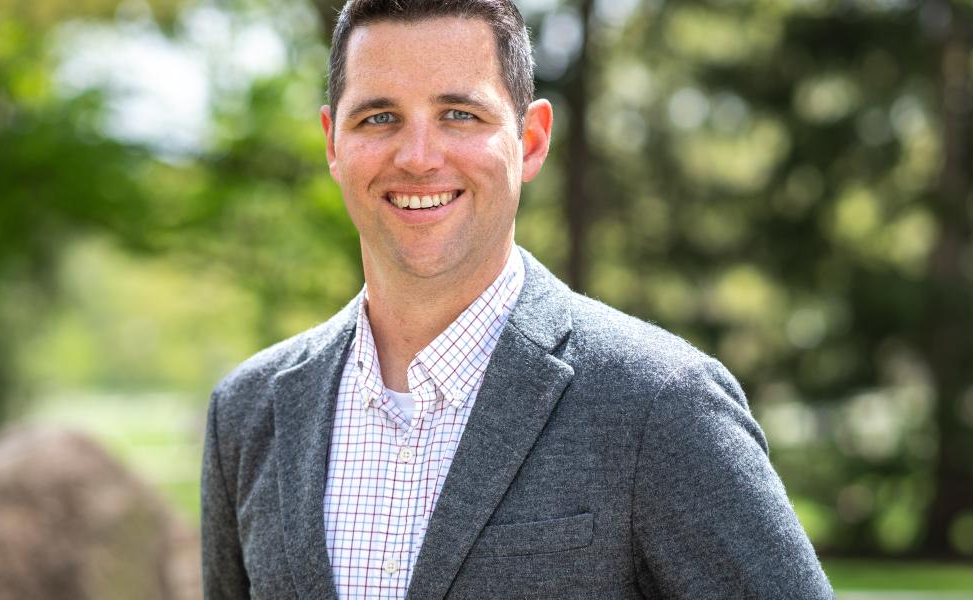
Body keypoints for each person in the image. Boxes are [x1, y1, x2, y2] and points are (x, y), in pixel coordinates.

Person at [200, 0, 834, 598]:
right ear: (333, 143)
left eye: (459, 114)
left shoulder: (660, 405)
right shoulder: (248, 413)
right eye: (379, 117)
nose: (418, 157)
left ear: (531, 140)